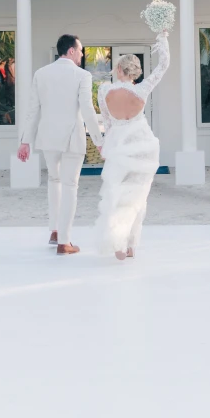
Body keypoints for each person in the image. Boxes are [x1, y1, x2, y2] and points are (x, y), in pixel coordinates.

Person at [17, 34, 103, 255]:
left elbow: (32, 110)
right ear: (71, 51)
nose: (82, 54)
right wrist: (99, 140)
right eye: (81, 50)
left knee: (54, 181)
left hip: (47, 137)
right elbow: (87, 109)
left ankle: (54, 231)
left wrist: (25, 141)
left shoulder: (41, 74)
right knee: (70, 186)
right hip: (72, 137)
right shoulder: (82, 75)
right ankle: (65, 241)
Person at [96, 31, 170, 260]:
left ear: (119, 69)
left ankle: (117, 244)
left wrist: (103, 146)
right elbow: (164, 65)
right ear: (134, 72)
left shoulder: (104, 91)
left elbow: (107, 124)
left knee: (117, 195)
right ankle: (130, 246)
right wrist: (163, 38)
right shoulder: (142, 89)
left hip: (119, 145)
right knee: (138, 197)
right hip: (143, 146)